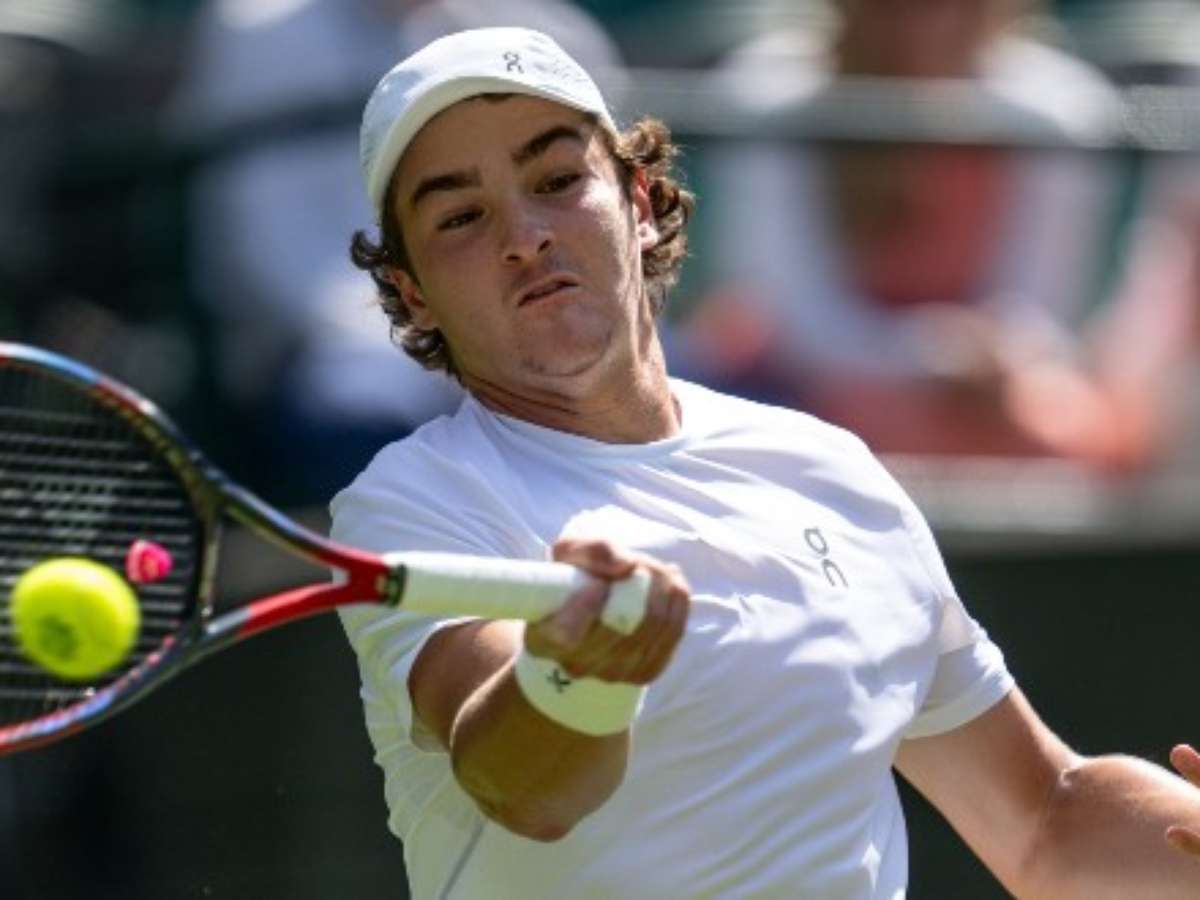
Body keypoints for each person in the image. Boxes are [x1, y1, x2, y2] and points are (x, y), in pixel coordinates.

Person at [331, 27, 1200, 898]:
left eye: (557, 181)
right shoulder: (414, 501)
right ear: (412, 291)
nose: (524, 235)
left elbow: (1045, 815)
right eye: (461, 217)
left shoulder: (830, 470)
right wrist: (580, 679)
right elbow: (525, 789)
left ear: (639, 203)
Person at [679, 0, 1152, 469]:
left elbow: (1041, 316)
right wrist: (925, 364)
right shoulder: (762, 97)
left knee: (1083, 434)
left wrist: (969, 368)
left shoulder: (1065, 109)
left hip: (990, 400)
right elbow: (788, 313)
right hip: (802, 389)